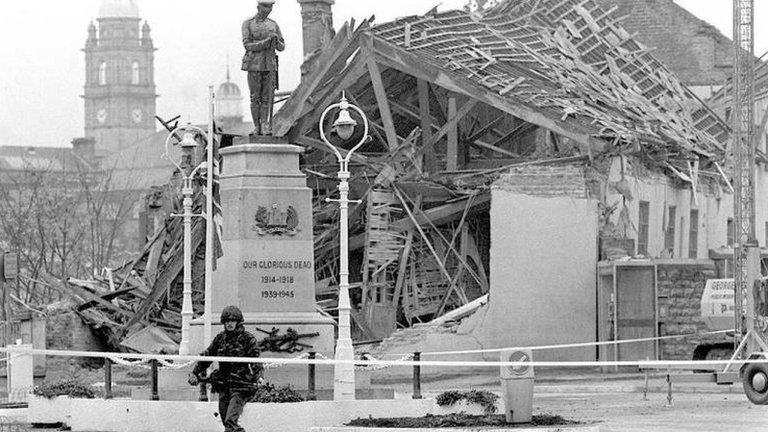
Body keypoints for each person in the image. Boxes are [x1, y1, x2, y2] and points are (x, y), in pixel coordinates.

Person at [188, 305, 262, 432]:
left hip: (240, 386)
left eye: (232, 321)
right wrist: (195, 372)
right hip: (223, 385)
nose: (229, 324)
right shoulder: (220, 338)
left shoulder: (247, 339)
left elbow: (255, 360)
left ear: (238, 322)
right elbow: (208, 356)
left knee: (230, 421)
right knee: (225, 422)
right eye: (227, 321)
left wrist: (259, 376)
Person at [242, 0, 285, 136]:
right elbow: (247, 45)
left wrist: (276, 41)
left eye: (270, 7)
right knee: (255, 97)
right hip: (254, 64)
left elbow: (282, 46)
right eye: (266, 7)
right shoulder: (248, 23)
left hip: (269, 64)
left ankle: (265, 125)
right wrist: (266, 42)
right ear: (258, 7)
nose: (268, 10)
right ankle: (256, 126)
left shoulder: (273, 24)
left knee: (267, 97)